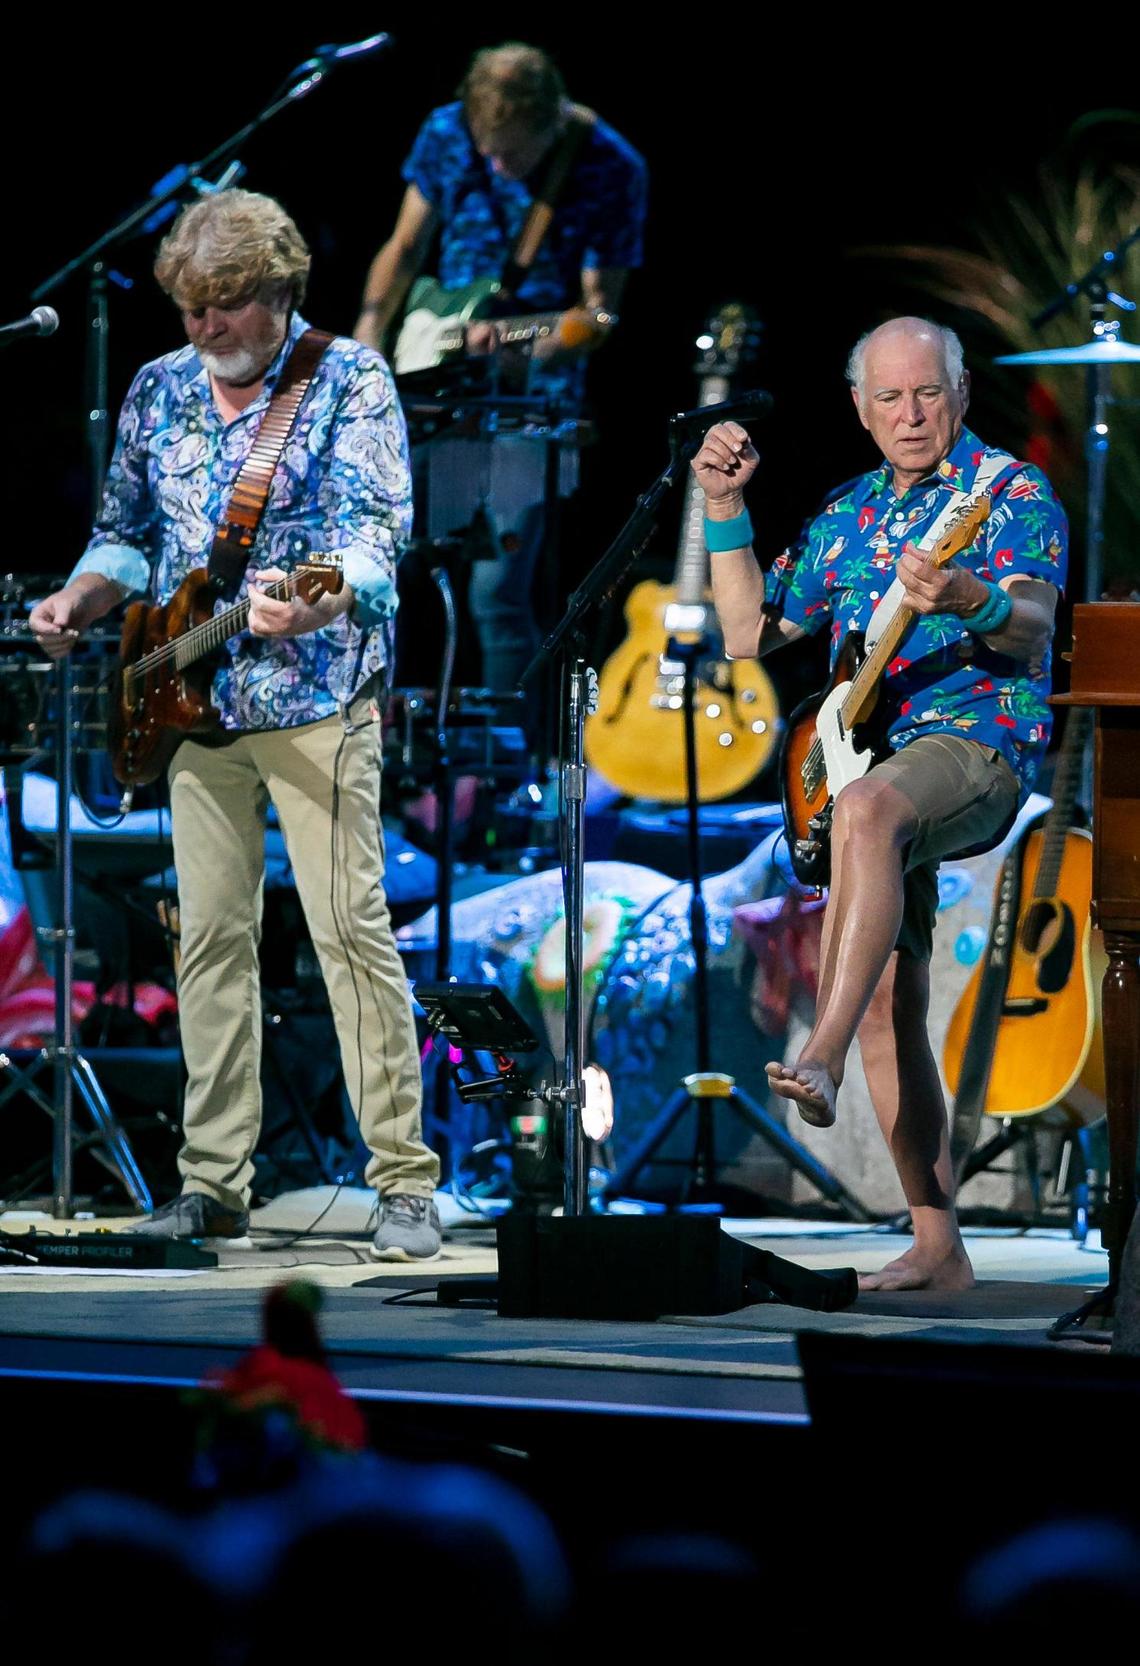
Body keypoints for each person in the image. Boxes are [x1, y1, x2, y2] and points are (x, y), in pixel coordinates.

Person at [29, 189, 442, 1260]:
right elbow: (125, 536)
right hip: (188, 699)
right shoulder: (159, 388)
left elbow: (374, 535)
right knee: (210, 939)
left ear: (277, 293)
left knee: (350, 932)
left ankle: (403, 1183)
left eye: (223, 308)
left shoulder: (348, 380)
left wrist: (320, 594)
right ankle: (214, 1185)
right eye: (189, 310)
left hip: (316, 696)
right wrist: (81, 599)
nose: (203, 328)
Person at [695, 316, 1067, 1291]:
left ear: (960, 394)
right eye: (890, 398)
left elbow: (1030, 627)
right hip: (873, 759)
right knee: (888, 1011)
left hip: (980, 744)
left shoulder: (1008, 493)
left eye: (928, 393)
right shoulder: (846, 512)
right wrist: (725, 505)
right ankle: (939, 1246)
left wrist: (967, 597)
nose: (911, 414)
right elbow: (745, 631)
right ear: (859, 411)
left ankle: (810, 1056)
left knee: (863, 813)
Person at [354, 41, 647, 694]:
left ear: (550, 124)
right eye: (486, 149)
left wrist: (527, 347)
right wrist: (369, 335)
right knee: (374, 563)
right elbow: (404, 245)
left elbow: (597, 315)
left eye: (512, 153)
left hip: (527, 402)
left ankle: (504, 771)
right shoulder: (445, 131)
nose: (495, 163)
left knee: (498, 593)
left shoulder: (609, 167)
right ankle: (378, 738)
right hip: (433, 382)